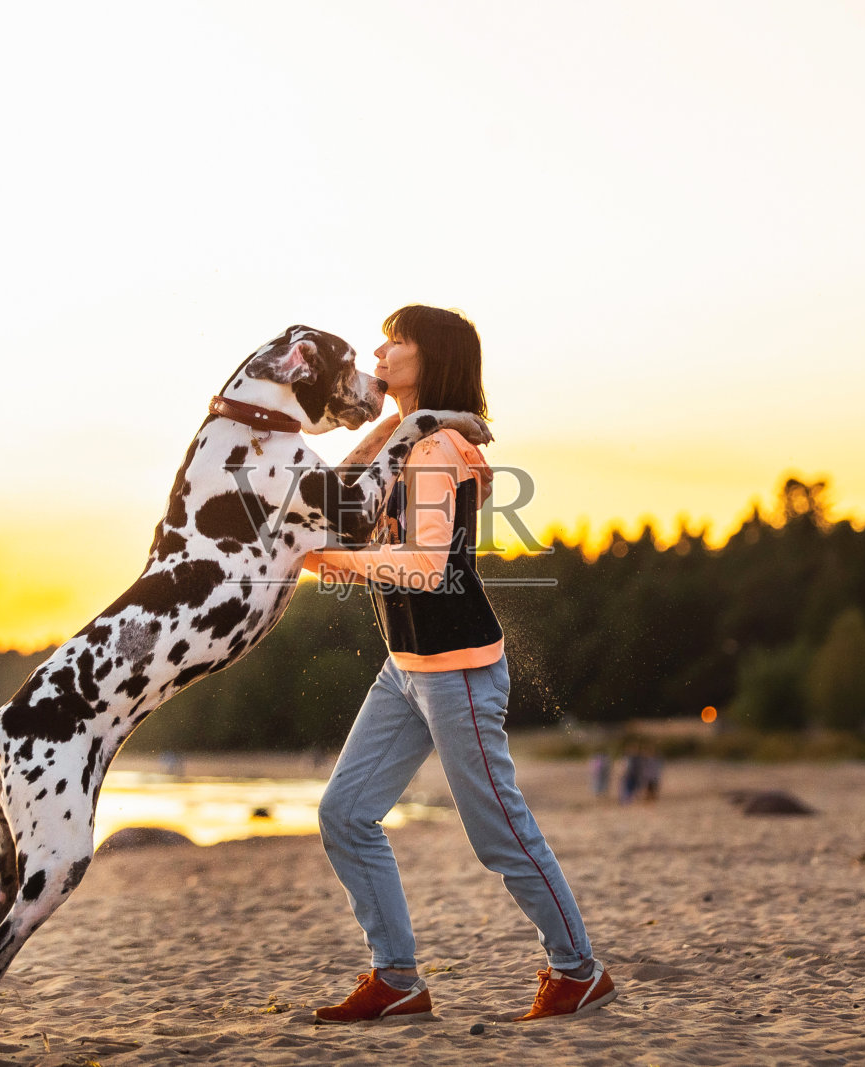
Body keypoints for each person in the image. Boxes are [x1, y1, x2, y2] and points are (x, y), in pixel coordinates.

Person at [301, 305, 615, 1023]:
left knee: (497, 831)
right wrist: (403, 420)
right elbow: (336, 496)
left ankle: (577, 970)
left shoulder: (438, 450)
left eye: (397, 340)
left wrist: (326, 558)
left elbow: (426, 567)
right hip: (405, 666)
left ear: (432, 356)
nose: (379, 350)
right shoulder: (417, 440)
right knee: (345, 813)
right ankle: (397, 979)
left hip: (458, 668)